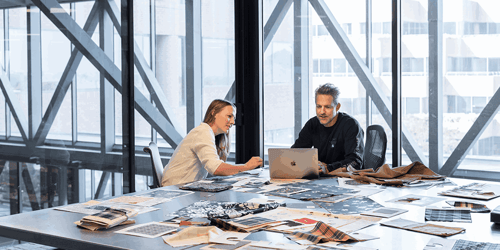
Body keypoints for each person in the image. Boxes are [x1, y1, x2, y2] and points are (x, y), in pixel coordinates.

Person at [162, 99, 263, 186]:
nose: (233, 122)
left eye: (234, 118)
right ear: (214, 113)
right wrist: (246, 167)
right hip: (176, 188)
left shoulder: (208, 133)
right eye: (229, 116)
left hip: (184, 186)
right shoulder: (202, 132)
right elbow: (215, 168)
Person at [291, 83, 364, 174]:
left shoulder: (350, 125)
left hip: (343, 179)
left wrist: (328, 168)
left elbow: (355, 162)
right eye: (319, 106)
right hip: (319, 178)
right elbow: (294, 154)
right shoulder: (312, 124)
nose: (322, 112)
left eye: (327, 107)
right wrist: (311, 164)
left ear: (337, 107)